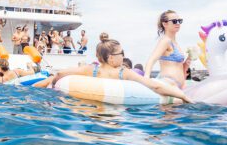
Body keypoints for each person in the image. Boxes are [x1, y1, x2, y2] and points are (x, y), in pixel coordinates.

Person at [50, 33, 191, 102]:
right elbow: (155, 86)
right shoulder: (124, 73)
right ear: (110, 57)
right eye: (121, 53)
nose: (123, 56)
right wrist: (183, 96)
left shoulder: (91, 70)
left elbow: (61, 73)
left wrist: (54, 84)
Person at [144, 10, 189, 88]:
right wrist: (146, 78)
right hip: (168, 83)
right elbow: (152, 60)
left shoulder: (175, 43)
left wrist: (189, 59)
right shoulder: (166, 41)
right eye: (174, 21)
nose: (178, 23)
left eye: (179, 21)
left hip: (176, 86)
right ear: (165, 24)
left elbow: (180, 67)